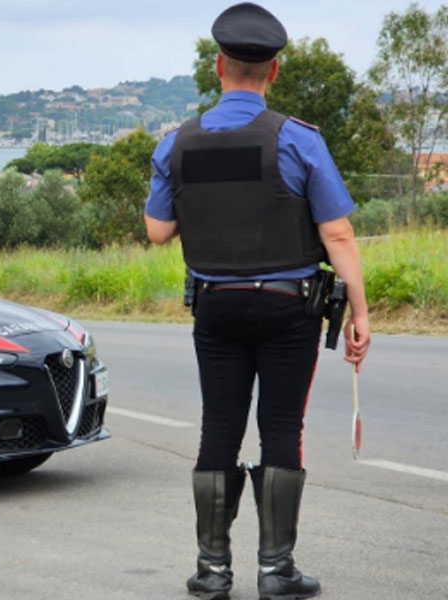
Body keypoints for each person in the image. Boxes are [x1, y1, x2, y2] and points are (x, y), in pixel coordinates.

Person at [143, 3, 370, 599]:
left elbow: (158, 231)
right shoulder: (297, 140)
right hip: (288, 308)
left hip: (216, 307)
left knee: (218, 427)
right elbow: (338, 233)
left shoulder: (177, 145)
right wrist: (362, 315)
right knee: (281, 428)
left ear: (218, 66)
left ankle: (212, 572)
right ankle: (277, 572)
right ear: (272, 72)